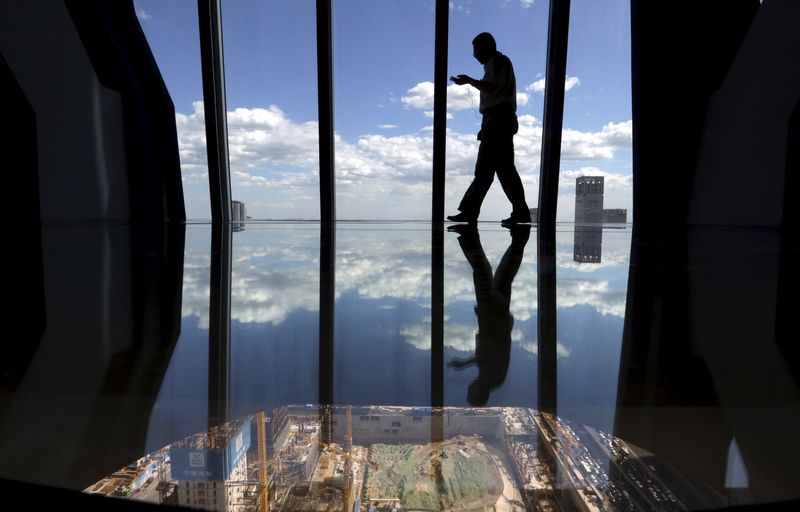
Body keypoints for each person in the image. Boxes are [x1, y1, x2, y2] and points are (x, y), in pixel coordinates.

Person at [448, 32, 531, 225]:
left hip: (497, 120)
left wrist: (470, 81)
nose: (474, 55)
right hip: (497, 120)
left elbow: (493, 89)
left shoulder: (498, 62)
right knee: (502, 170)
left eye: (476, 50)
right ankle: (519, 211)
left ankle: (472, 211)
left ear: (486, 48)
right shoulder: (497, 63)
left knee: (488, 170)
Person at [447, 223, 530, 406]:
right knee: (484, 272)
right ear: (477, 394)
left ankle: (519, 236)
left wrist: (464, 363)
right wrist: (489, 315)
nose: (469, 388)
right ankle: (468, 236)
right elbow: (493, 348)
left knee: (499, 273)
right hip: (491, 314)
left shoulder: (492, 381)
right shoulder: (491, 379)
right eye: (470, 392)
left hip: (494, 314)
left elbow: (485, 357)